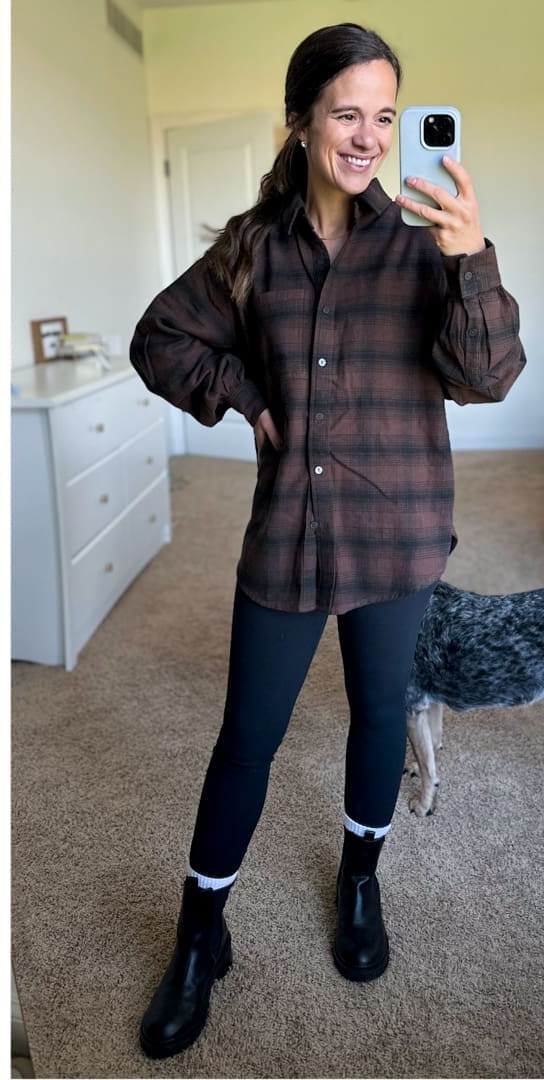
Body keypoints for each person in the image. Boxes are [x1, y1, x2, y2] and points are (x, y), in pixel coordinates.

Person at [130, 22, 525, 1060]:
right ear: (300, 122)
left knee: (379, 713)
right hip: (291, 535)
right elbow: (158, 338)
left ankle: (360, 883)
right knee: (245, 739)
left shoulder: (429, 242)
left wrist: (471, 260)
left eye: (384, 117)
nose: (367, 136)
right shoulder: (250, 249)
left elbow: (489, 377)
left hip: (398, 531)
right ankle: (200, 931)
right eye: (346, 113)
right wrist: (245, 393)